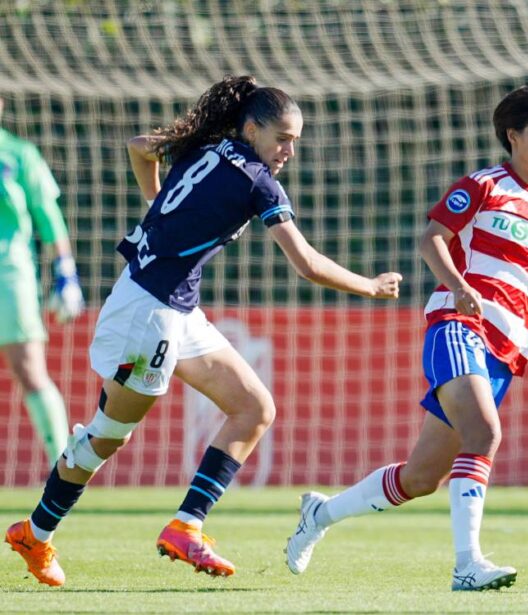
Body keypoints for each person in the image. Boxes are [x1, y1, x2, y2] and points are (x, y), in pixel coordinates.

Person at [4, 75, 402, 587]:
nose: (288, 150)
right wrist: (370, 286)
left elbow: (141, 148)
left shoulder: (209, 146)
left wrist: (157, 210)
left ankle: (186, 525)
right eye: (281, 137)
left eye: (296, 141)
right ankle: (35, 534)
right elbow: (304, 264)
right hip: (151, 311)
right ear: (251, 128)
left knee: (254, 407)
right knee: (106, 436)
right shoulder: (258, 181)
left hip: (171, 304)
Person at [284, 84, 528, 591]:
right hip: (458, 326)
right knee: (484, 434)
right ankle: (468, 565)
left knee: (421, 479)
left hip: (508, 349)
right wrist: (459, 287)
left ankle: (320, 514)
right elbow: (431, 238)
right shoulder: (484, 186)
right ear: (513, 136)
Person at [0, 97, 84, 467]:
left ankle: (60, 466)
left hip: (9, 271)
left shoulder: (19, 154)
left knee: (29, 367)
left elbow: (47, 215)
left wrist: (66, 273)